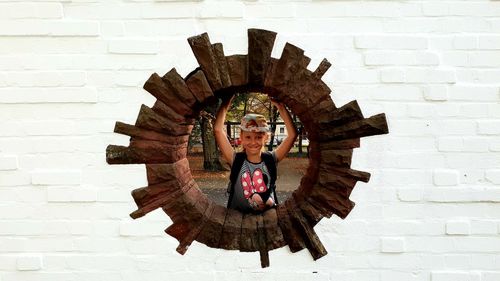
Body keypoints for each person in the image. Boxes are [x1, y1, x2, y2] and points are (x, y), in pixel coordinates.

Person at [214, 96, 297, 213]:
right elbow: (218, 130)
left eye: (258, 137)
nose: (253, 142)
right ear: (241, 138)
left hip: (267, 220)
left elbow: (292, 135)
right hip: (238, 220)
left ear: (266, 138)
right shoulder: (235, 159)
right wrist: (225, 104)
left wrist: (281, 107)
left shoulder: (271, 159)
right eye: (248, 137)